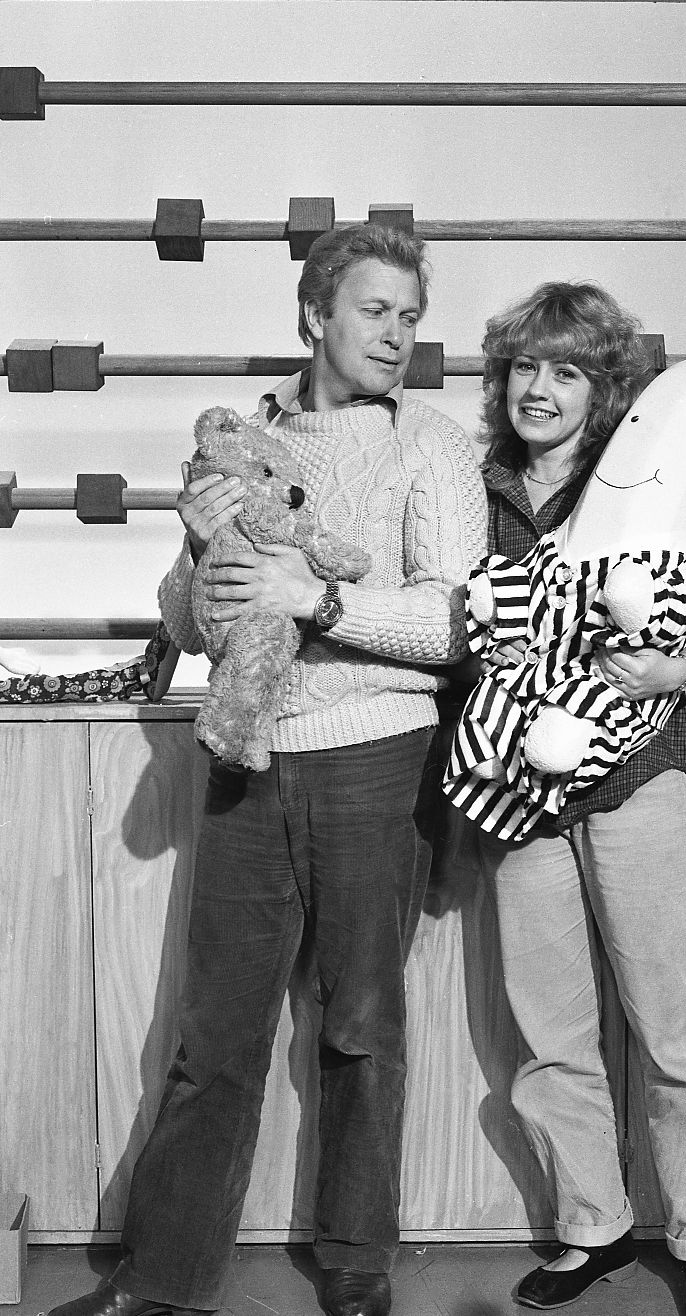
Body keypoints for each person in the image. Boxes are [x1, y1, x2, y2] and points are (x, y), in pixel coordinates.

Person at [48, 224, 487, 1316]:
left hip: (377, 757)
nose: (396, 334)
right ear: (313, 315)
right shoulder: (246, 440)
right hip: (246, 756)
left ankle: (357, 1264)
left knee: (361, 1026)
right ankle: (164, 1279)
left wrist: (319, 598)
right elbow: (186, 626)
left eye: (408, 316)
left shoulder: (430, 445)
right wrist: (200, 551)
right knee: (217, 1035)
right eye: (374, 311)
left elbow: (461, 621)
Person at [455, 282, 686, 1316]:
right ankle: (594, 1225)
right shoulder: (471, 490)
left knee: (671, 1024)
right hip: (519, 790)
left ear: (603, 390)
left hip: (633, 779)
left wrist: (675, 668)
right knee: (551, 1032)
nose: (538, 388)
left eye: (566, 371)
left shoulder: (636, 479)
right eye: (523, 367)